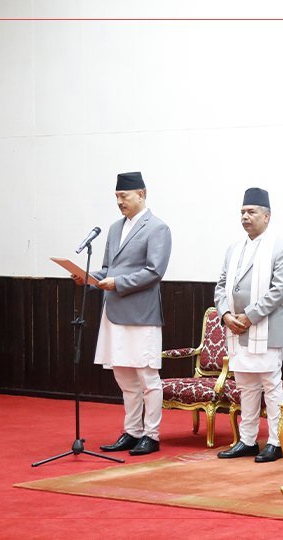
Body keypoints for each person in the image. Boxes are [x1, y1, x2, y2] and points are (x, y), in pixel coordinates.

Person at [93, 171, 173, 457]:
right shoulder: (115, 229)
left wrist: (118, 283)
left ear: (142, 194)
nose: (119, 202)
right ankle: (132, 431)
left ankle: (151, 434)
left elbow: (154, 271)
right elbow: (107, 269)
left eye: (124, 196)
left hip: (141, 314)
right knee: (124, 376)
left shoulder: (157, 228)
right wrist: (89, 277)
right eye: (116, 197)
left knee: (147, 378)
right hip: (114, 311)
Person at [214, 187, 283, 463]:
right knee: (246, 387)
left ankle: (276, 441)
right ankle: (248, 440)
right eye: (242, 213)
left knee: (271, 386)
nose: (245, 217)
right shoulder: (234, 249)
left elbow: (280, 290)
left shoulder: (282, 248)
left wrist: (249, 316)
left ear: (267, 216)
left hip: (265, 329)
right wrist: (225, 315)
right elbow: (220, 287)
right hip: (236, 329)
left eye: (251, 212)